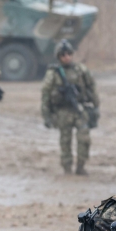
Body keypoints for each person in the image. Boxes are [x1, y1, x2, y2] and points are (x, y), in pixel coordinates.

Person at [41, 39, 99, 176]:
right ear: (58, 57)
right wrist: (47, 116)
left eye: (68, 53)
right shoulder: (53, 74)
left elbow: (92, 87)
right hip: (63, 111)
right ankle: (67, 168)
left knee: (84, 139)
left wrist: (95, 107)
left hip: (79, 109)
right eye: (63, 54)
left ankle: (81, 166)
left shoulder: (81, 70)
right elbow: (45, 96)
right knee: (65, 141)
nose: (66, 57)